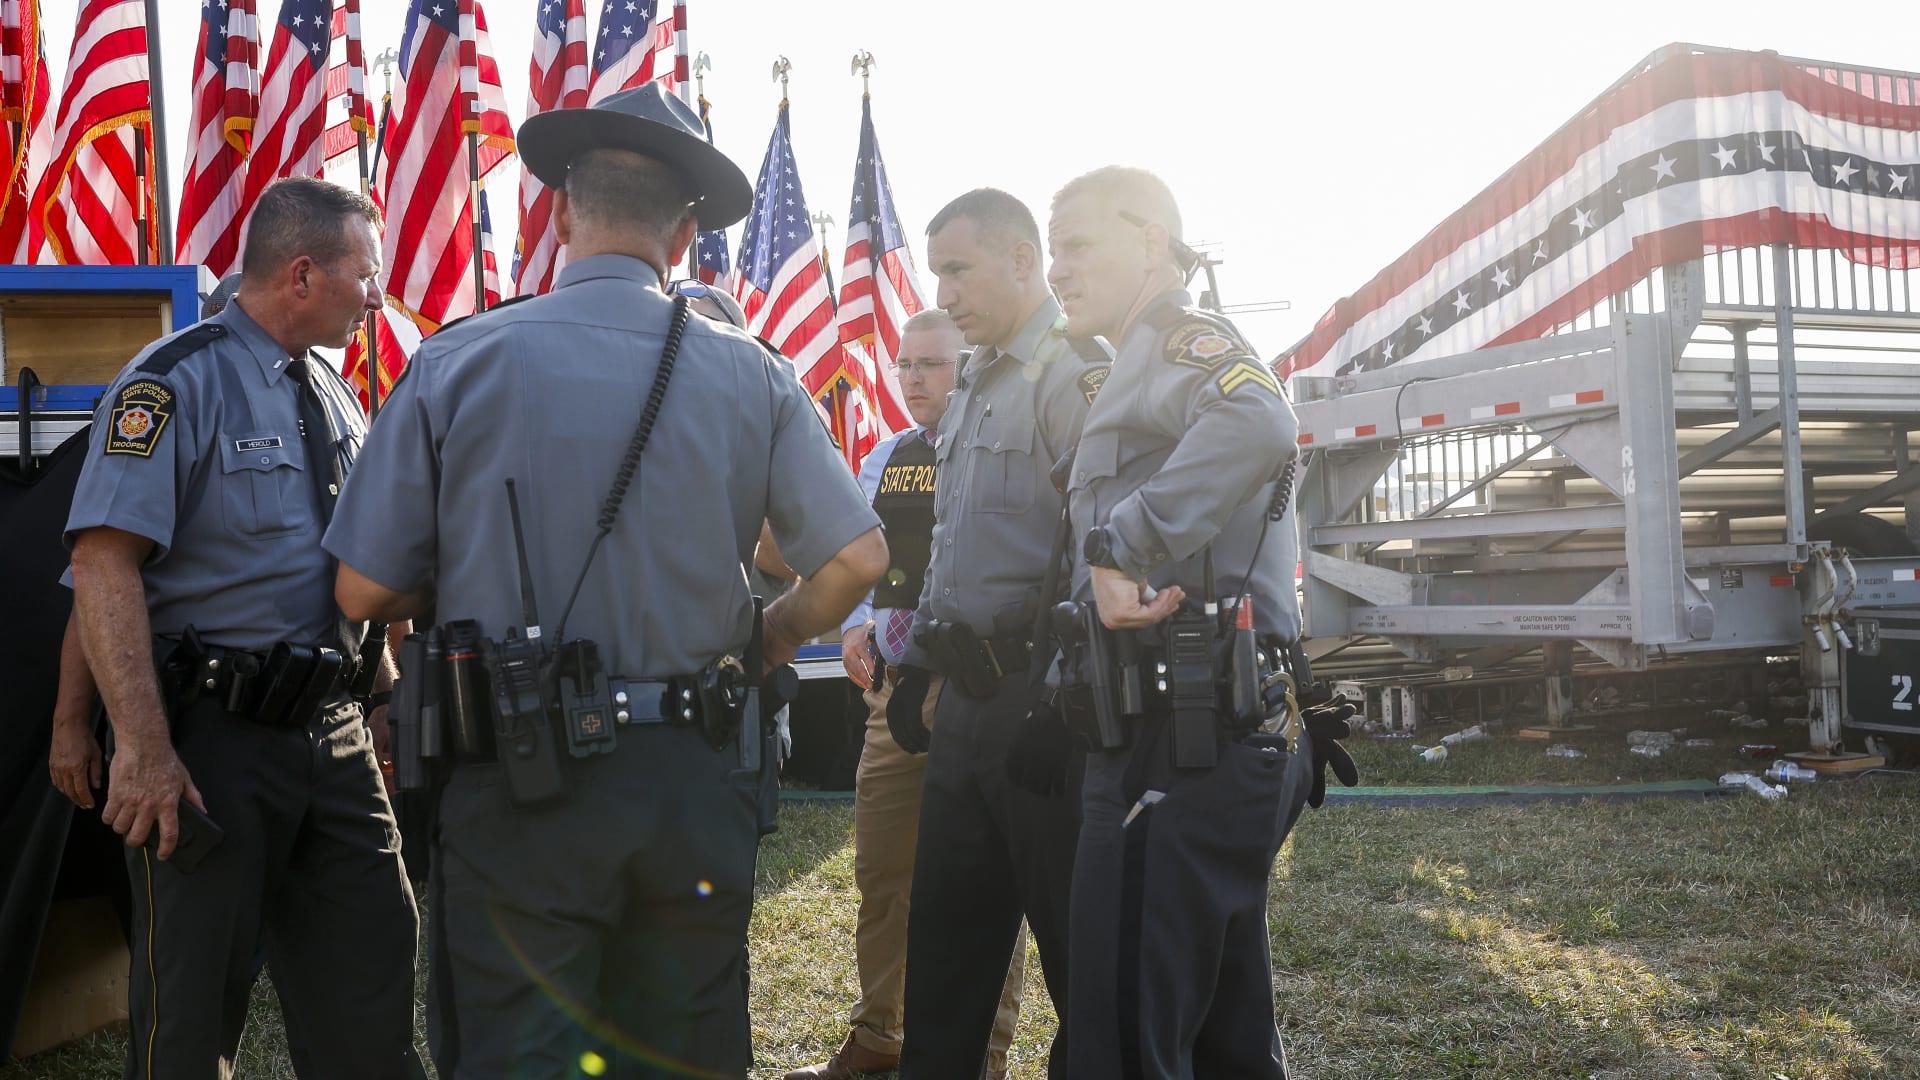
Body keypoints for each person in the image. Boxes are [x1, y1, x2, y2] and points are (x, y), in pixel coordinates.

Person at [325, 83, 887, 1078]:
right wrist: (768, 635)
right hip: (694, 774)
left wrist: (473, 566)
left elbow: (362, 592)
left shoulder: (459, 361)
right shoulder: (752, 371)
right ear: (684, 232)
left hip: (521, 778)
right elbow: (857, 560)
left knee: (516, 1053)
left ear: (557, 211)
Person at [63, 179, 423, 1078]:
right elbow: (105, 567)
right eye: (365, 275)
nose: (378, 296)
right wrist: (139, 747)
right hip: (212, 742)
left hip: (333, 737)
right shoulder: (172, 382)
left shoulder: (339, 396)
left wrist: (381, 700)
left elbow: (347, 574)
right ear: (303, 273)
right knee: (189, 1010)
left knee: (373, 964)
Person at [1042, 166, 1357, 1079]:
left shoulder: (1180, 339)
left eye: (1077, 244)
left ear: (1150, 240)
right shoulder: (1131, 361)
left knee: (1126, 1038)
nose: (1059, 269)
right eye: (1054, 249)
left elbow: (1260, 419)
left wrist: (1120, 546)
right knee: (1225, 1039)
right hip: (1197, 735)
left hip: (1178, 738)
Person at [891, 189, 1111, 1080]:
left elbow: (1102, 553)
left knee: (1078, 962)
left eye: (958, 267)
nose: (943, 290)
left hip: (1041, 710)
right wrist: (914, 667)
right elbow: (952, 544)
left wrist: (1062, 699)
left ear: (1023, 260)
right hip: (964, 705)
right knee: (945, 952)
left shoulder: (1074, 373)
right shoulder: (977, 374)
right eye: (937, 269)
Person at [787, 309, 1030, 1080]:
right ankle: (880, 1035)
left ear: (971, 366)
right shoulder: (886, 456)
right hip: (893, 698)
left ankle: (984, 1056)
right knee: (884, 874)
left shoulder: (1000, 453)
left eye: (934, 363)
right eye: (905, 363)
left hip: (982, 691)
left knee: (991, 885)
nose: (916, 377)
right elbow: (861, 558)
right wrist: (856, 624)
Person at [50, 272, 247, 812]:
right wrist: (70, 724)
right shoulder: (173, 392)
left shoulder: (318, 397)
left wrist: (387, 691)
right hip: (201, 711)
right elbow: (95, 584)